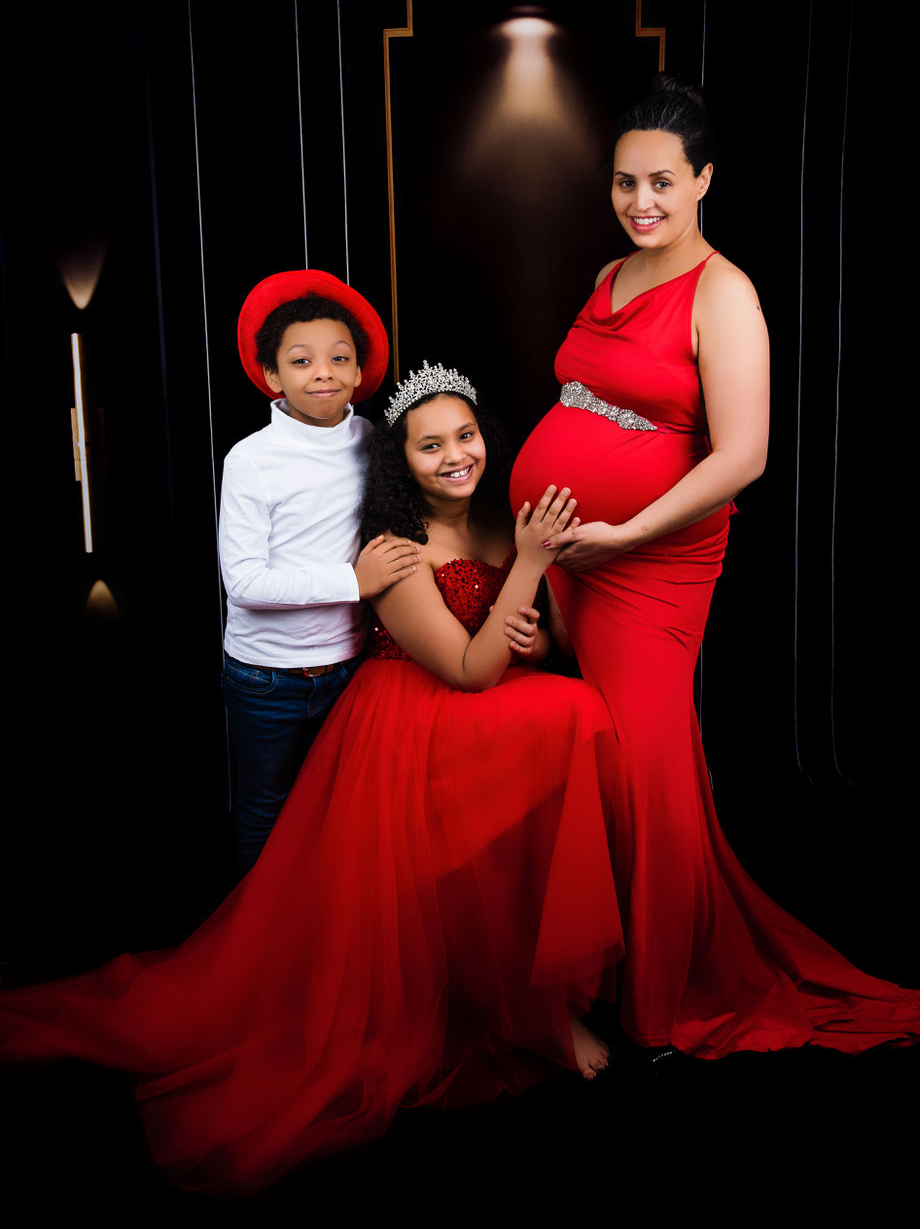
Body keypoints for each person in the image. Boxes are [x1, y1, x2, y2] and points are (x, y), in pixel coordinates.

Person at [0, 365, 621, 1194]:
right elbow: (474, 669)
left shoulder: (495, 526)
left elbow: (531, 646)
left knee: (571, 718)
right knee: (572, 717)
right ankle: (528, 1012)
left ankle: (533, 999)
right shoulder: (395, 553)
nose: (455, 457)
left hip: (475, 709)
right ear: (401, 462)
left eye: (465, 437)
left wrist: (525, 590)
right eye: (429, 446)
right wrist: (534, 565)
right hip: (416, 721)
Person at [510, 74, 920, 1057]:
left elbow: (742, 455)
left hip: (649, 564)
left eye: (659, 182)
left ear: (702, 179)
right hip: (573, 558)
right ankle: (598, 967)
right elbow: (583, 401)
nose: (639, 202)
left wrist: (622, 532)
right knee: (596, 755)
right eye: (621, 183)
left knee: (645, 761)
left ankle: (662, 985)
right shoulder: (609, 275)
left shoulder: (724, 293)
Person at [220, 269, 418, 874]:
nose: (324, 373)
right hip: (266, 679)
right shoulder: (252, 461)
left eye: (339, 358)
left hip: (348, 667)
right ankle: (256, 943)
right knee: (264, 811)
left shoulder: (373, 441)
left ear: (360, 372)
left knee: (333, 809)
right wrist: (352, 583)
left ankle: (314, 935)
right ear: (273, 377)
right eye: (302, 361)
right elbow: (245, 583)